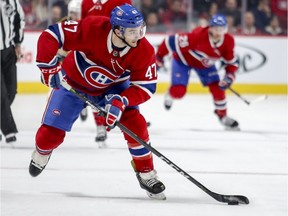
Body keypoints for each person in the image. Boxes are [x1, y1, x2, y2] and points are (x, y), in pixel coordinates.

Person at [28, 4, 166, 200]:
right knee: (49, 136)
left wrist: (122, 99)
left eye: (140, 29)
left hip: (113, 89)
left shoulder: (143, 50)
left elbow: (146, 87)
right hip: (73, 83)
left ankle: (146, 173)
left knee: (136, 124)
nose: (139, 35)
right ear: (117, 31)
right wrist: (47, 67)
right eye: (133, 31)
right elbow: (51, 34)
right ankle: (42, 152)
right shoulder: (92, 28)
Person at [156, 14, 240, 130]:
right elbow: (169, 41)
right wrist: (159, 58)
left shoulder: (228, 41)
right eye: (216, 28)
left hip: (205, 65)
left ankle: (223, 116)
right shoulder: (197, 36)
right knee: (178, 92)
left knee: (218, 88)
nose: (219, 32)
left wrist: (229, 76)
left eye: (222, 29)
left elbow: (231, 63)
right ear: (210, 28)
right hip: (182, 60)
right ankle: (170, 94)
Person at [79, 0, 132, 148]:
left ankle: (110, 122)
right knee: (94, 90)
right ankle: (100, 126)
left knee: (113, 92)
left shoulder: (122, 1)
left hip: (114, 55)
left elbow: (131, 28)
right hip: (91, 54)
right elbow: (82, 27)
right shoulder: (86, 2)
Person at [0, 0, 25, 143]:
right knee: (1, 93)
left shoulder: (13, 2)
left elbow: (19, 20)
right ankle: (9, 130)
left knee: (11, 90)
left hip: (8, 50)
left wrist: (18, 43)